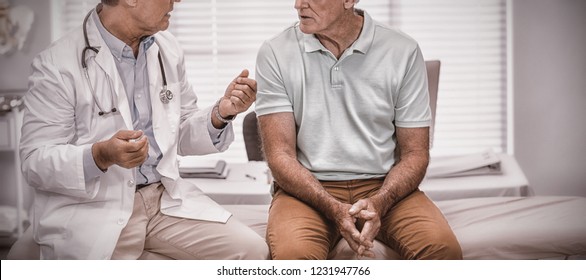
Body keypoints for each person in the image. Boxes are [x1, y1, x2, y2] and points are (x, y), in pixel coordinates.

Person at [19, 0, 268, 260]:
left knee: (252, 252)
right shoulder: (56, 64)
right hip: (96, 209)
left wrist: (221, 113)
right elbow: (34, 161)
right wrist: (100, 155)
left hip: (162, 200)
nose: (177, 1)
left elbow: (178, 131)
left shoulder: (167, 48)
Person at [254, 0, 462, 260]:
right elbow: (279, 155)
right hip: (306, 191)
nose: (298, 5)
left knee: (444, 251)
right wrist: (332, 207)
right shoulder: (274, 52)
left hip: (385, 186)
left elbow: (415, 153)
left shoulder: (402, 50)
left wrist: (381, 201)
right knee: (295, 258)